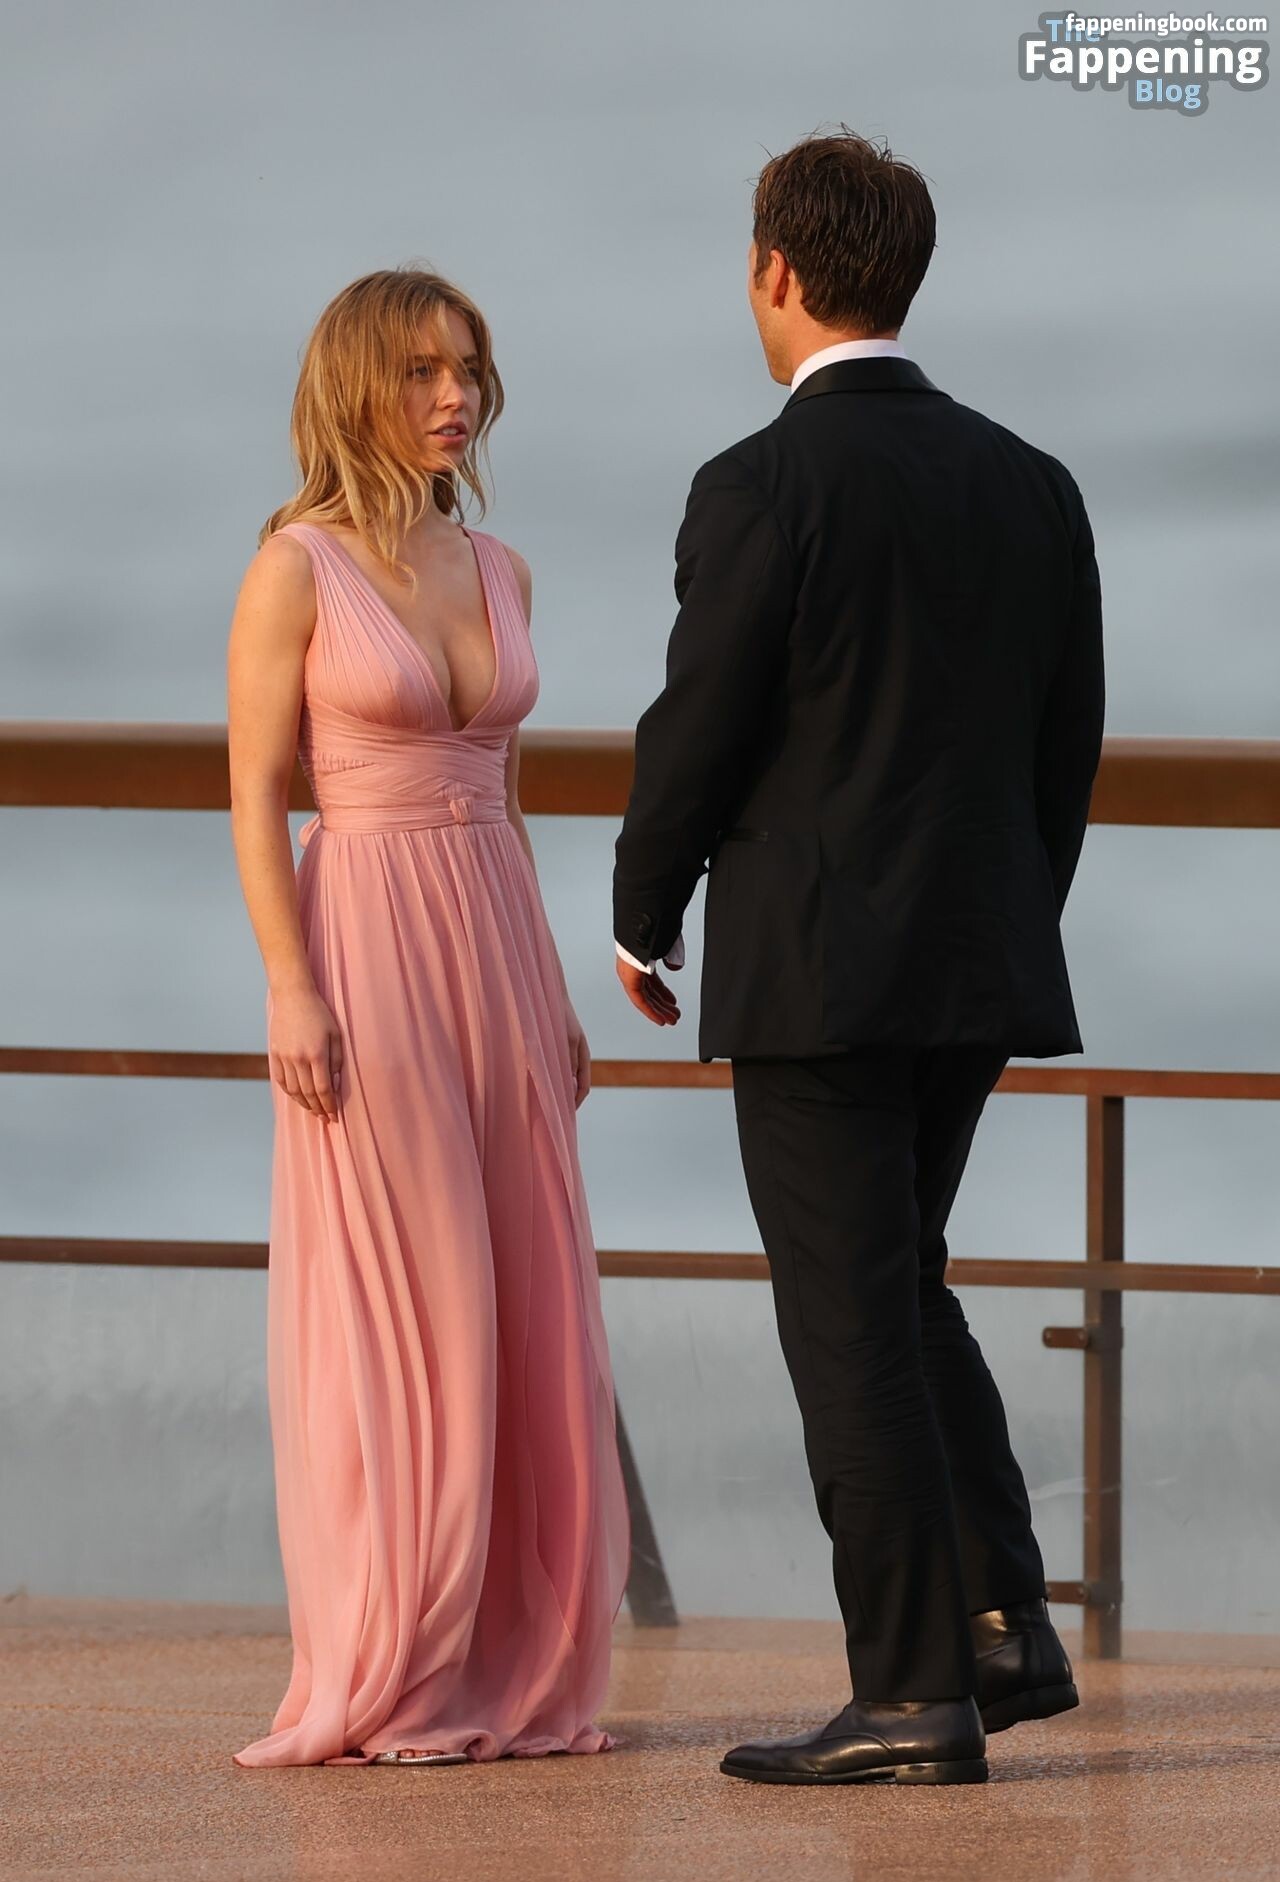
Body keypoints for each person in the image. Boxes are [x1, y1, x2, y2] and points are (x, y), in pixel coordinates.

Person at [612, 129, 1105, 1787]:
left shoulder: (760, 484)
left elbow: (698, 727)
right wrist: (1011, 911)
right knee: (901, 1283)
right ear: (907, 274)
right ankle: (1001, 1628)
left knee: (849, 1326)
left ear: (775, 270)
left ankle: (909, 1694)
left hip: (818, 977)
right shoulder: (1032, 482)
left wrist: (643, 911)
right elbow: (1065, 749)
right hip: (978, 958)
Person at [227, 267, 629, 1768]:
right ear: (355, 387)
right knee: (419, 1294)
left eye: (465, 368)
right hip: (368, 934)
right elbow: (255, 796)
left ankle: (517, 1660)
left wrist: (556, 990)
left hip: (498, 937)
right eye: (419, 371)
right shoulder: (295, 568)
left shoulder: (500, 566)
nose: (454, 394)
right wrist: (290, 981)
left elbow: (505, 793)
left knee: (527, 1291)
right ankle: (401, 1661)